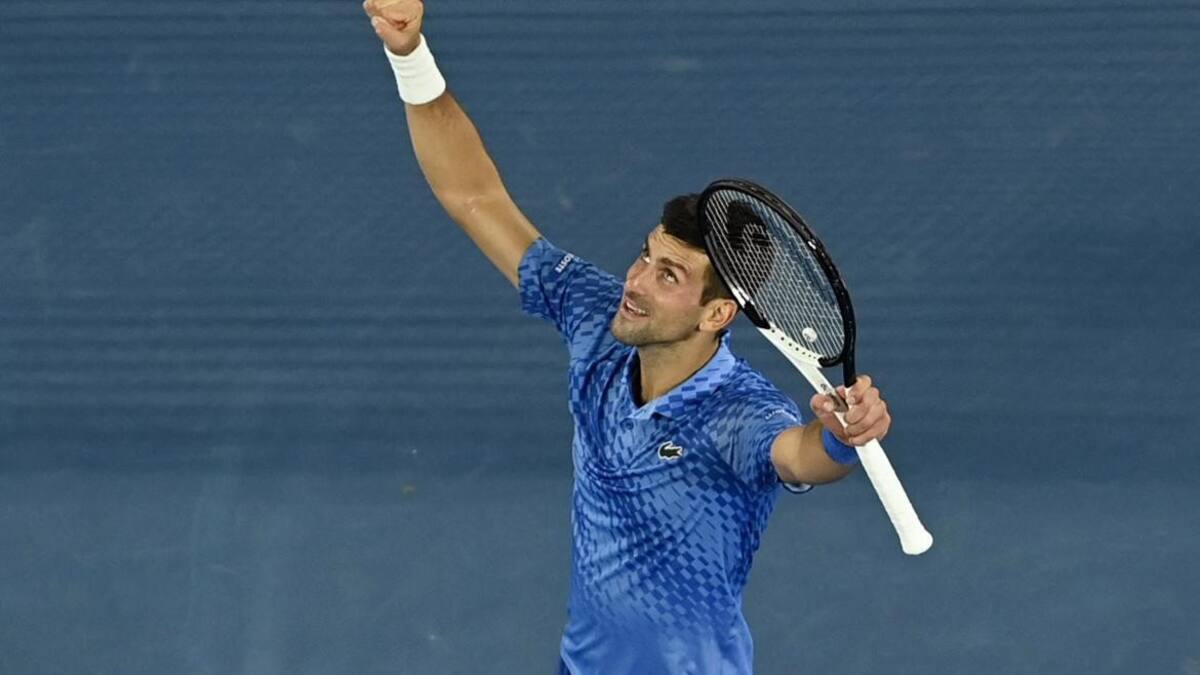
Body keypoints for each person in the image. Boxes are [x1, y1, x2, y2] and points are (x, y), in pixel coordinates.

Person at [362, 2, 893, 673]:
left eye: (667, 274)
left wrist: (843, 438)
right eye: (644, 254)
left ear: (717, 314)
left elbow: (797, 456)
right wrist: (410, 55)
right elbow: (475, 196)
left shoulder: (739, 415)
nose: (635, 280)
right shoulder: (599, 318)